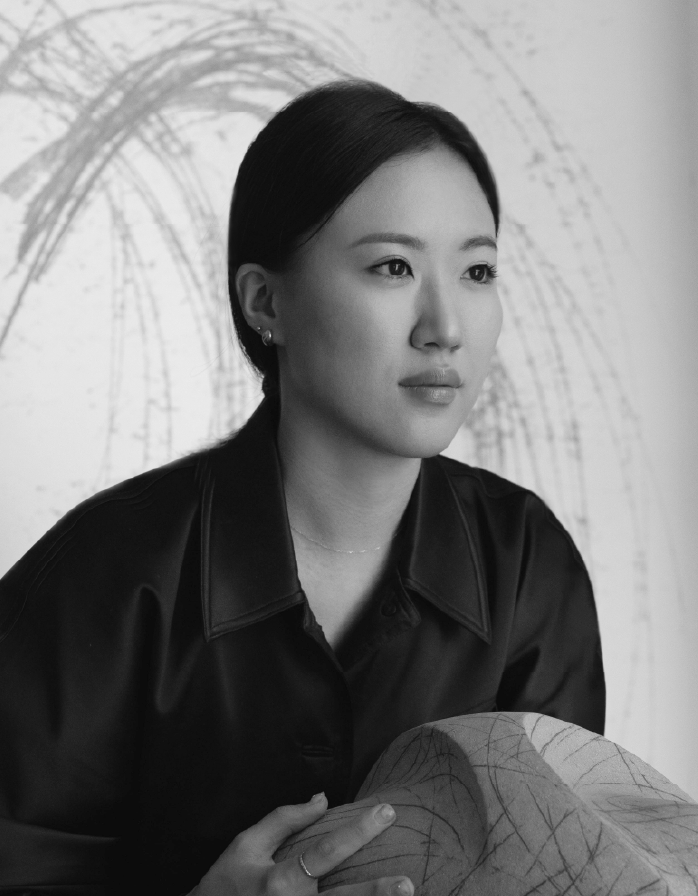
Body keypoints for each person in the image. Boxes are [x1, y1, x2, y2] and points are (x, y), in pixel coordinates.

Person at [0, 80, 605, 895]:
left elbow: (567, 868)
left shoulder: (529, 564)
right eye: (393, 266)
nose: (445, 328)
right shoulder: (105, 573)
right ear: (266, 302)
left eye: (477, 270)